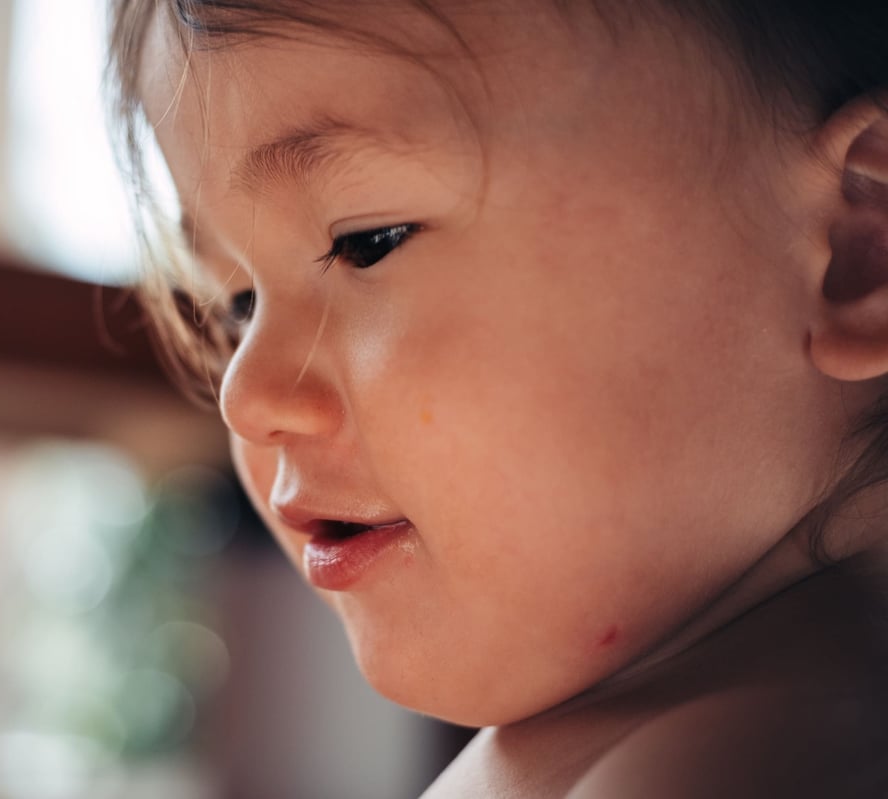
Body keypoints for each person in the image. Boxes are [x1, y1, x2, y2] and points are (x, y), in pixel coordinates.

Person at [106, 1, 888, 795]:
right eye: (238, 303)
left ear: (862, 251)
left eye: (366, 242)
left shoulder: (758, 757)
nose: (246, 398)